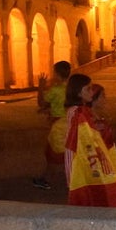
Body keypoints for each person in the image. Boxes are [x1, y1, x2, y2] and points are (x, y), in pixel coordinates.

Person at [33, 60, 71, 190]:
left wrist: (41, 86)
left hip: (57, 124)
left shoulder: (56, 89)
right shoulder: (70, 88)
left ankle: (46, 179)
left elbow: (41, 102)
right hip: (69, 122)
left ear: (56, 73)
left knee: (52, 153)